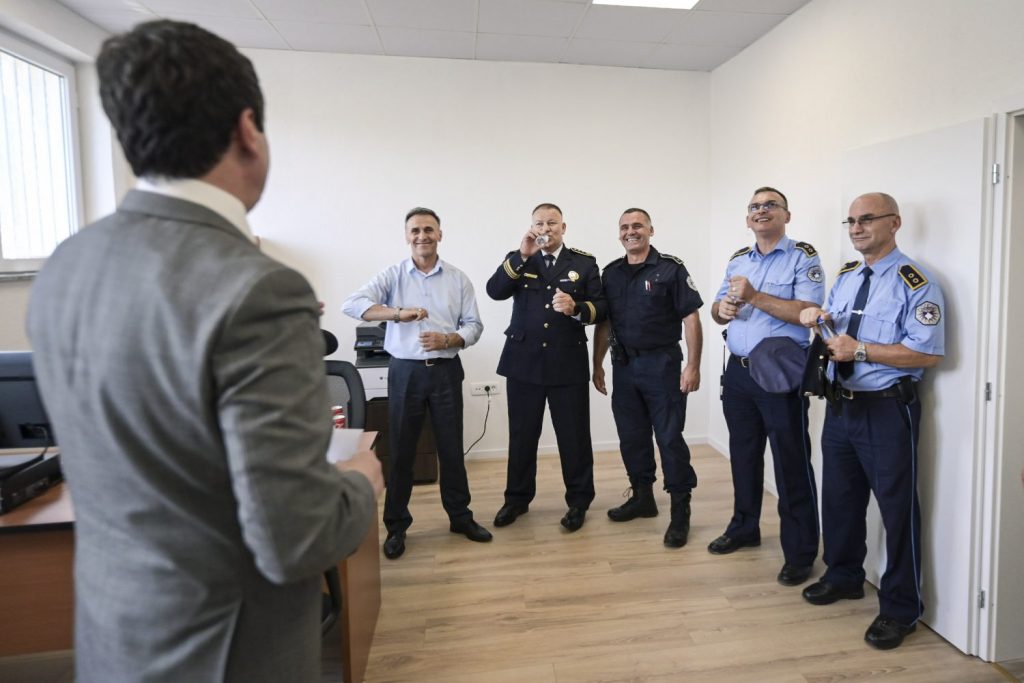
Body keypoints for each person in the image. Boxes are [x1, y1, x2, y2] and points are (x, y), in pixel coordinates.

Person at [26, 20, 383, 682]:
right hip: (226, 652)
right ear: (248, 130)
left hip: (114, 639)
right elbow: (298, 537)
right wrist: (362, 480)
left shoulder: (66, 264)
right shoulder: (259, 289)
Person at [798, 192, 945, 650]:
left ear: (894, 223)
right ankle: (844, 575)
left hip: (886, 409)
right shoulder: (846, 276)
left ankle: (901, 609)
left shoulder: (915, 282)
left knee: (897, 510)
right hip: (841, 405)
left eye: (866, 219)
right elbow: (836, 335)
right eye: (851, 221)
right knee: (839, 499)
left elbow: (927, 353)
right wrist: (818, 319)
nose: (856, 228)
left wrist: (860, 350)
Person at [343, 207, 490, 559]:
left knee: (451, 449)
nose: (422, 236)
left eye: (428, 229)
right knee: (402, 450)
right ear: (407, 236)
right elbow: (353, 305)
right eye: (415, 231)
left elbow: (474, 325)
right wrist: (398, 314)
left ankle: (460, 517)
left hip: (445, 370)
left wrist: (449, 339)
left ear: (440, 234)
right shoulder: (393, 275)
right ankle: (396, 526)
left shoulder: (458, 279)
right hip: (405, 372)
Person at [708, 187, 823, 587]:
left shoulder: (802, 257)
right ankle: (744, 527)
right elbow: (717, 309)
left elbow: (808, 313)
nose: (762, 211)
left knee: (790, 461)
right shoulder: (739, 259)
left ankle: (800, 551)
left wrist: (755, 296)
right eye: (755, 206)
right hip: (738, 373)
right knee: (743, 455)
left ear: (786, 215)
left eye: (770, 205)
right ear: (748, 219)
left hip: (779, 374)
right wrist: (722, 309)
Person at [486, 203, 606, 532]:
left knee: (574, 437)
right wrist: (521, 256)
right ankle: (516, 499)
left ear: (563, 227)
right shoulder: (519, 258)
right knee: (522, 436)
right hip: (523, 363)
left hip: (567, 363)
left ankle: (579, 501)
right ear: (532, 227)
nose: (545, 228)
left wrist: (577, 307)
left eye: (552, 223)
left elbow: (601, 307)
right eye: (539, 223)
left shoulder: (583, 263)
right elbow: (495, 291)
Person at [592, 208, 703, 547]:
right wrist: (596, 364)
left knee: (669, 438)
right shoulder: (611, 273)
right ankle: (643, 497)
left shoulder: (671, 268)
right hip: (624, 366)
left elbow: (691, 318)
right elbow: (605, 323)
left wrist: (693, 366)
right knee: (631, 436)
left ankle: (680, 510)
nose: (631, 231)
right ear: (619, 233)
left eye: (637, 225)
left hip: (662, 365)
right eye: (625, 227)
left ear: (651, 230)